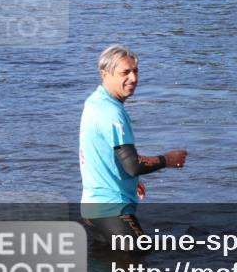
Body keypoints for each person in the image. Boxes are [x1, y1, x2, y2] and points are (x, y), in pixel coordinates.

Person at [80, 45, 188, 247]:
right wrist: (167, 160)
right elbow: (133, 164)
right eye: (125, 72)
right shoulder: (112, 113)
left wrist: (130, 179)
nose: (133, 78)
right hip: (112, 209)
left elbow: (100, 151)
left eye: (135, 71)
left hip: (92, 208)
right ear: (104, 74)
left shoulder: (94, 102)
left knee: (108, 263)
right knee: (140, 260)